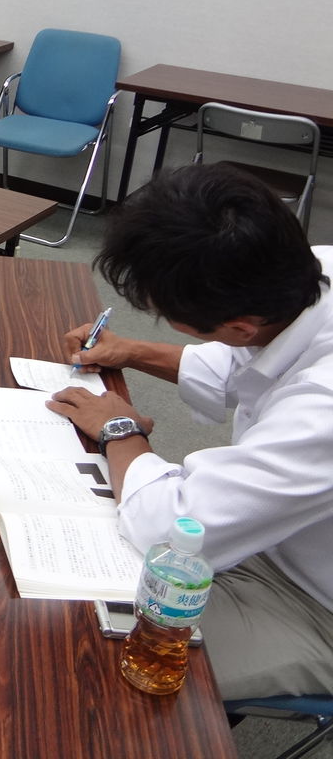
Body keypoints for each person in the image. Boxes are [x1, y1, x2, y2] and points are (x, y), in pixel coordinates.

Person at [45, 163, 333, 702]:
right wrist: (130, 350)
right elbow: (241, 362)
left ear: (239, 325)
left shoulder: (325, 406)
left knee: (82, 658)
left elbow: (168, 527)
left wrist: (121, 430)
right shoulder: (308, 271)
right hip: (273, 529)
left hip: (312, 600)